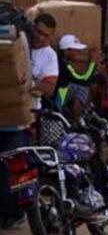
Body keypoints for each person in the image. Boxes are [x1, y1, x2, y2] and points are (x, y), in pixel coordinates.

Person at [0, 13, 58, 230]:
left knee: (16, 170)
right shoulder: (16, 42)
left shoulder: (49, 55)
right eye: (39, 32)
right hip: (4, 115)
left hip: (26, 119)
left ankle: (15, 213)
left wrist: (26, 86)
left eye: (46, 35)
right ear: (32, 27)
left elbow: (49, 87)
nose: (41, 38)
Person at [54, 34, 99, 117]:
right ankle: (77, 118)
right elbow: (84, 80)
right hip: (56, 101)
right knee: (82, 88)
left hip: (60, 97)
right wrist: (93, 63)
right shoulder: (65, 67)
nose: (79, 53)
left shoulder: (61, 62)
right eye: (76, 50)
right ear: (67, 51)